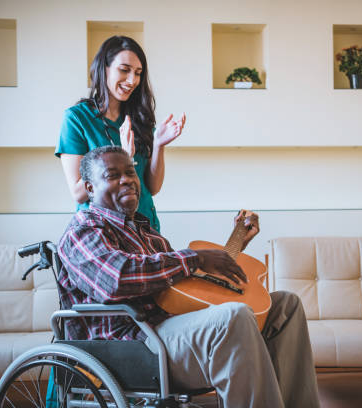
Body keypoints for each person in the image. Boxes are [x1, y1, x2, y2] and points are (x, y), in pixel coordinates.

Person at [56, 146, 320, 408]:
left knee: (286, 305)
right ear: (90, 188)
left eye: (130, 172)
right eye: (113, 175)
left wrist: (236, 244)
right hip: (132, 346)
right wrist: (196, 257)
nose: (127, 179)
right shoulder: (83, 230)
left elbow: (187, 286)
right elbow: (116, 279)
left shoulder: (147, 234)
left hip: (168, 331)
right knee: (233, 317)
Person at [56, 35, 186, 232]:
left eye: (138, 73)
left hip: (145, 231)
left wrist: (159, 145)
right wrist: (123, 155)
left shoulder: (139, 118)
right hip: (103, 235)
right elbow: (78, 192)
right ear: (104, 68)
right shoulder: (76, 119)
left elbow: (152, 188)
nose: (132, 80)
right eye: (124, 70)